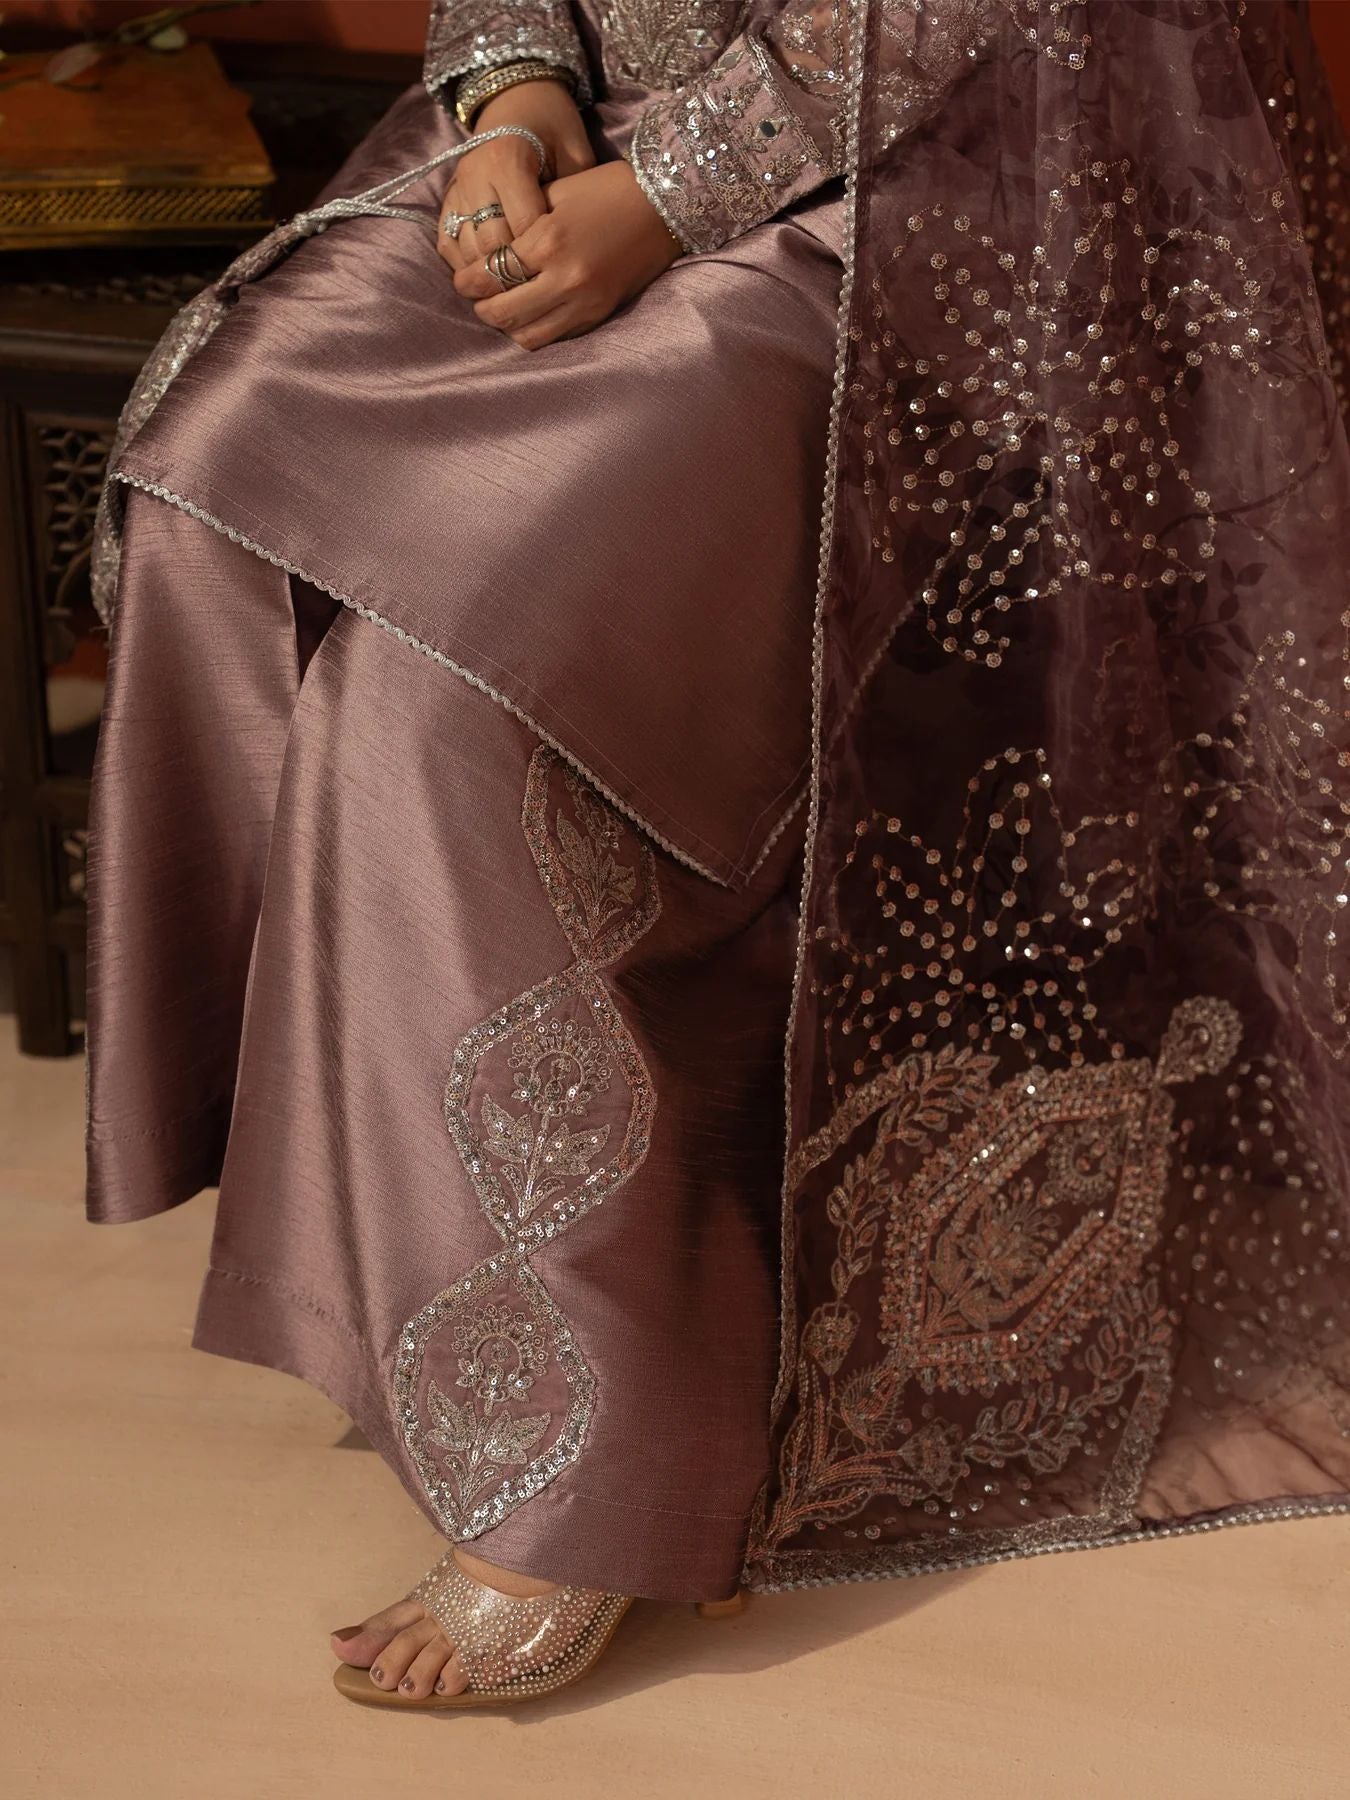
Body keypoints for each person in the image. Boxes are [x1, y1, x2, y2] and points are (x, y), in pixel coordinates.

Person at [86, 0, 1350, 1712]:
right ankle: (370, 1243)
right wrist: (513, 101)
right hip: (566, 138)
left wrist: (668, 191)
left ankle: (588, 1468)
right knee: (216, 508)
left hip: (906, 186)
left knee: (443, 696)